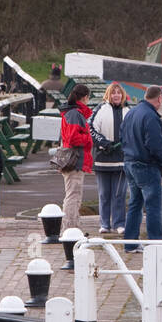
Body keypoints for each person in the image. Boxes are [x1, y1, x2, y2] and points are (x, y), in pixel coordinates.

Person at [120, 84, 162, 252]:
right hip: (146, 166)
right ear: (159, 98)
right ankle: (156, 245)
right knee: (153, 206)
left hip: (129, 163)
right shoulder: (151, 116)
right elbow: (155, 145)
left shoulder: (131, 113)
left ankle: (130, 244)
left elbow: (122, 136)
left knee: (135, 203)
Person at [91, 83, 129, 233]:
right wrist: (104, 143)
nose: (116, 95)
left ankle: (119, 224)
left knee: (119, 194)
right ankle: (104, 224)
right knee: (104, 194)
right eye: (113, 93)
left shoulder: (128, 111)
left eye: (119, 93)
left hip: (121, 160)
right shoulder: (100, 109)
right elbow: (91, 129)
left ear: (122, 95)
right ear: (108, 95)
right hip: (102, 159)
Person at [58, 84, 93, 231]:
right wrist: (88, 138)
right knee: (73, 195)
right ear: (85, 97)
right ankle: (70, 228)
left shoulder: (72, 112)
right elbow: (72, 138)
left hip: (74, 159)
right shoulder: (74, 114)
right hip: (75, 159)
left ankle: (73, 227)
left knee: (74, 195)